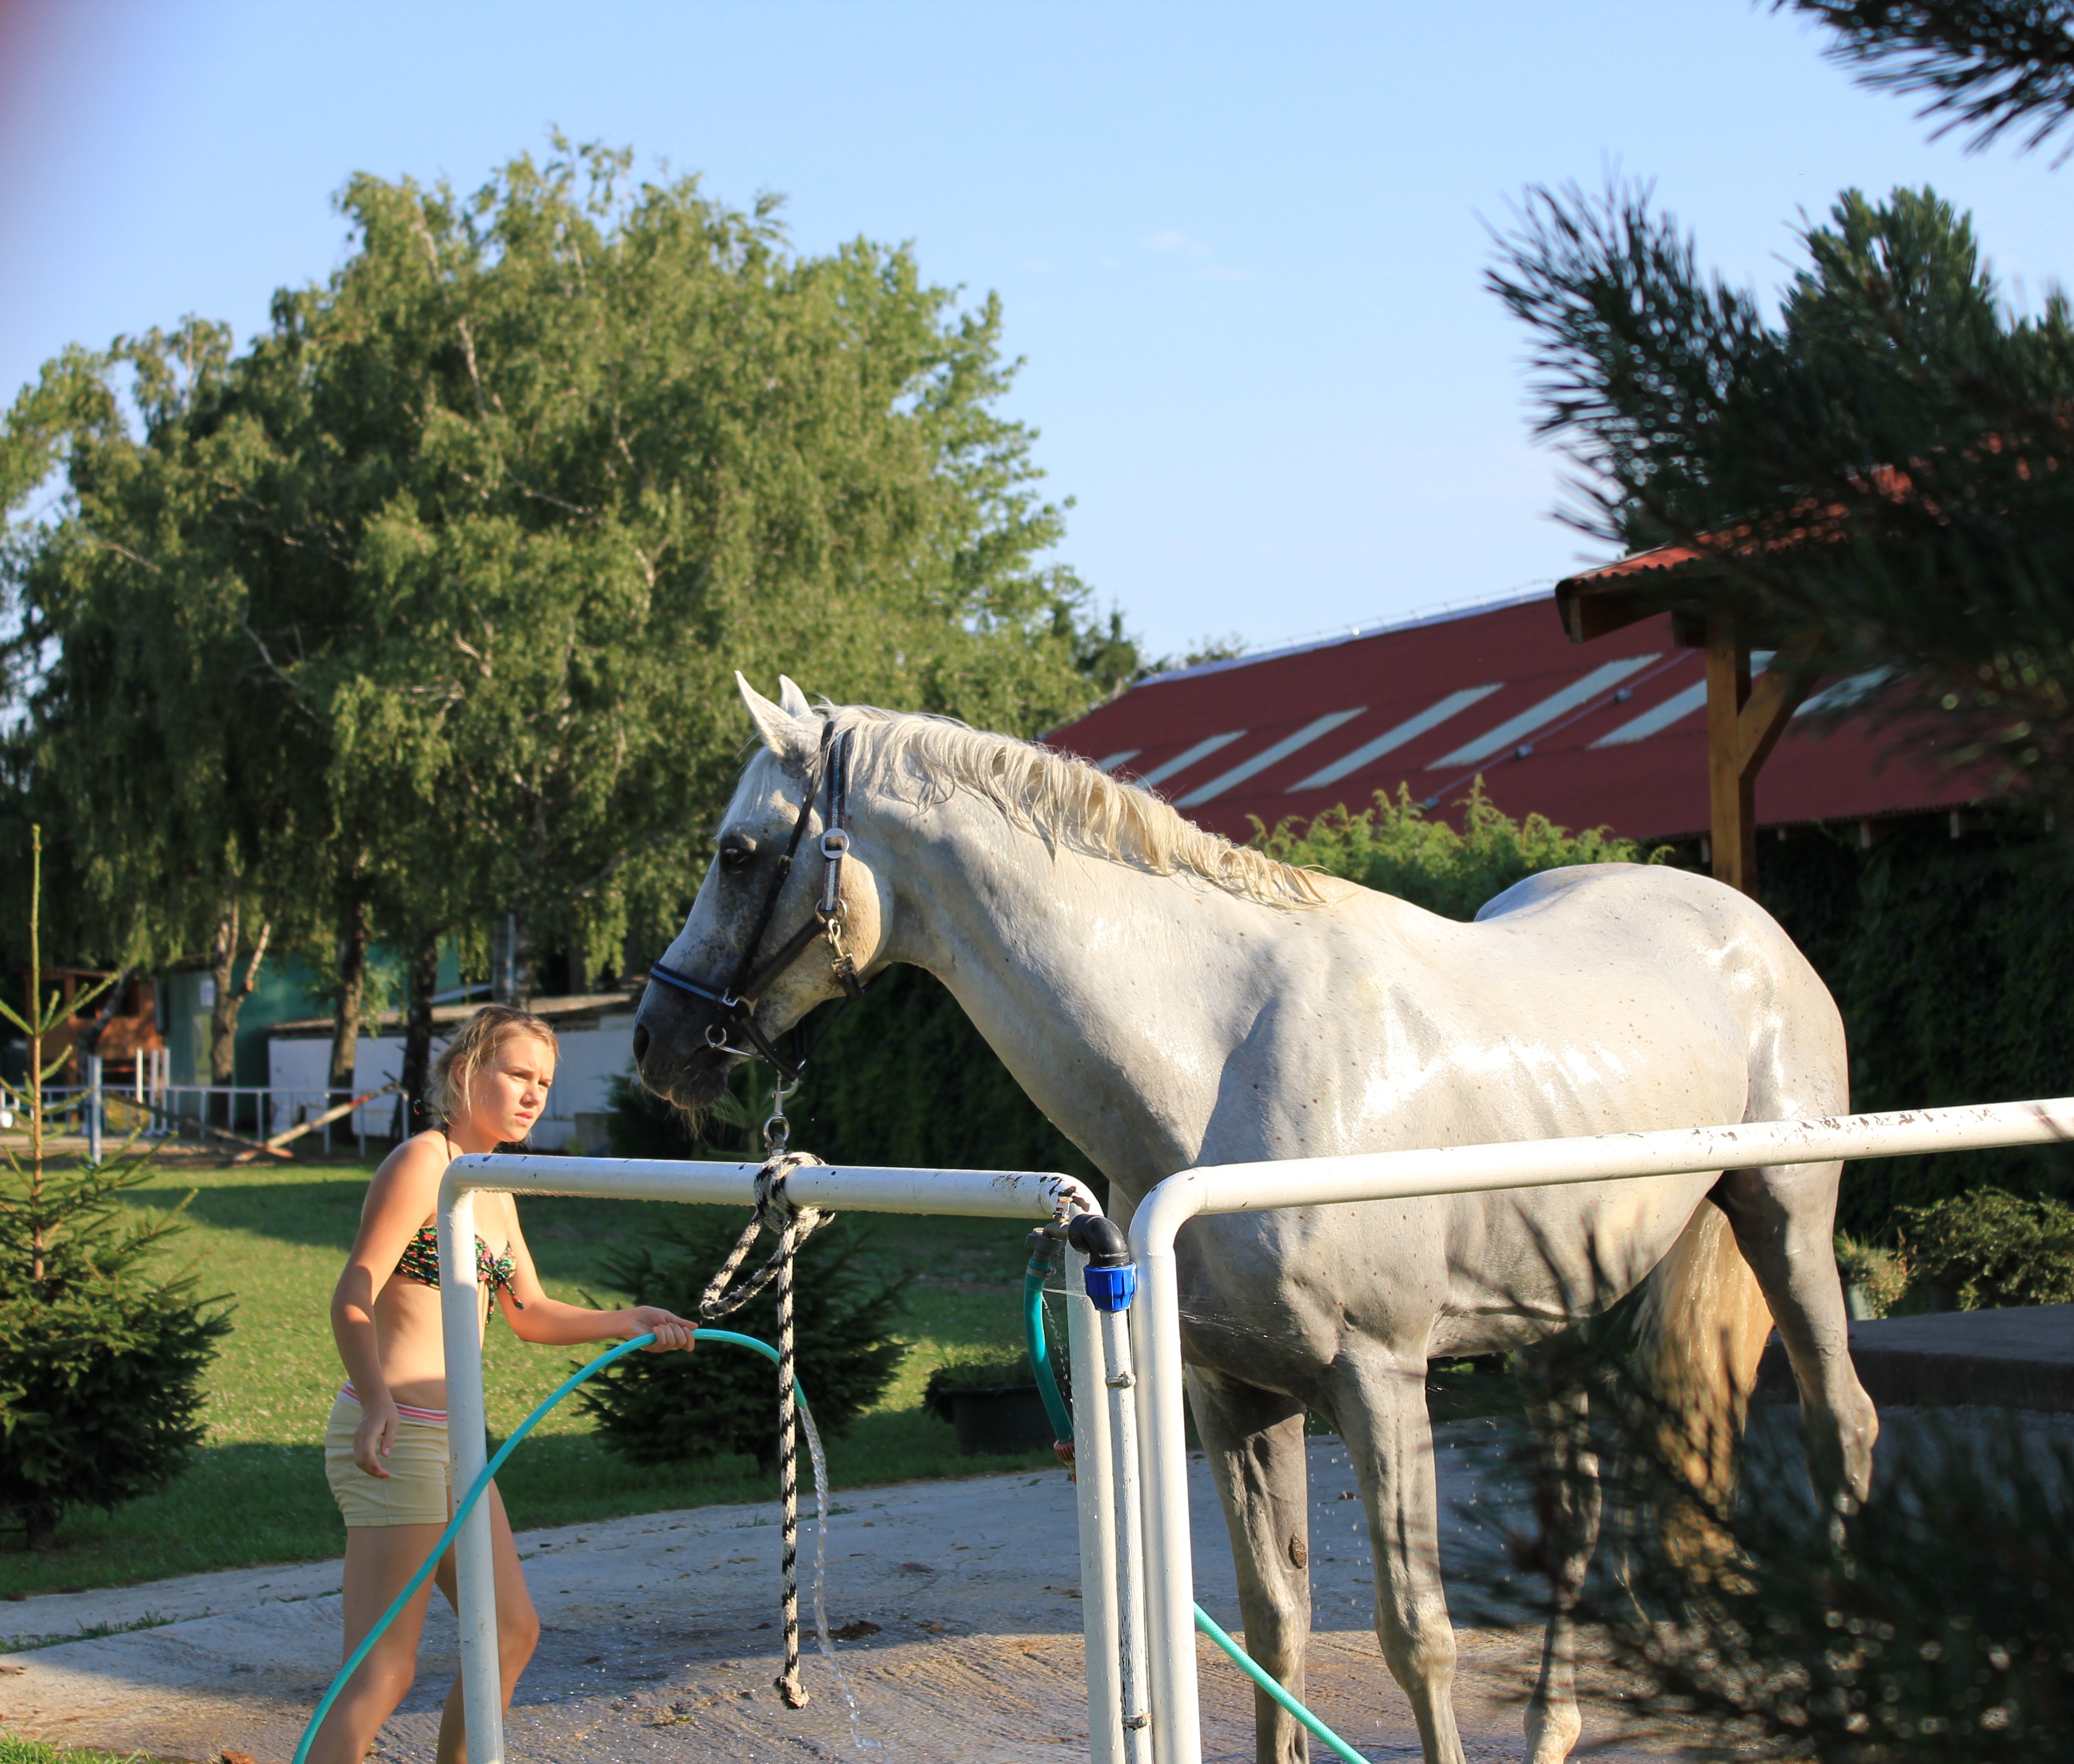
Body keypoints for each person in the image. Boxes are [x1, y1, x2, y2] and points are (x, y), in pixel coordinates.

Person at [314, 1004, 696, 1764]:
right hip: (400, 1437)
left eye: (545, 1083)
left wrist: (629, 1319)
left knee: (512, 1633)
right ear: (467, 1070)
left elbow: (528, 1312)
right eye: (518, 1074)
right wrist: (377, 1402)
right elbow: (353, 1291)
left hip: (461, 1449)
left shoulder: (492, 1185)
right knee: (384, 1669)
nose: (534, 1095)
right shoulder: (424, 1164)